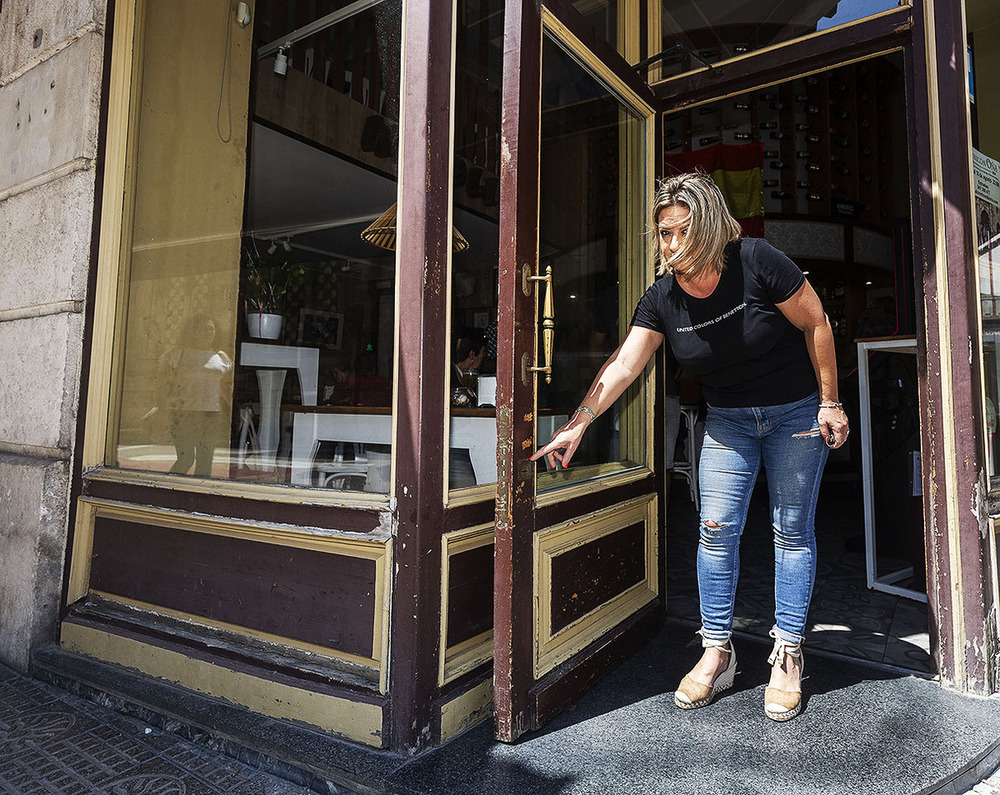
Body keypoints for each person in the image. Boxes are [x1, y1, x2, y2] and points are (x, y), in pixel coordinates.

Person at [532, 173, 849, 722]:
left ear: (706, 228)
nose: (670, 244)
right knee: (715, 528)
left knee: (791, 530)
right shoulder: (663, 298)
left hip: (795, 413)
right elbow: (626, 364)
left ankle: (789, 652)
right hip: (727, 421)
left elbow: (816, 321)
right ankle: (717, 651)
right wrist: (579, 421)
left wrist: (830, 402)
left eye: (680, 232)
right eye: (662, 234)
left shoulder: (757, 261)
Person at [161, 315, 233, 477]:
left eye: (211, 328)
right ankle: (168, 490)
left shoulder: (221, 357)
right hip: (183, 413)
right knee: (185, 459)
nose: (208, 332)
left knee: (205, 462)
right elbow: (165, 383)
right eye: (203, 328)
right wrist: (162, 410)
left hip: (210, 415)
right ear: (193, 332)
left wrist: (234, 409)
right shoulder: (177, 354)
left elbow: (225, 386)